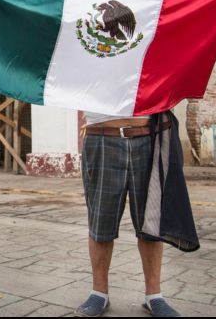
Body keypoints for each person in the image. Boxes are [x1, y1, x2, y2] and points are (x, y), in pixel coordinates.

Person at [75, 111, 198, 318]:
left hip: (147, 136)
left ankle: (154, 296)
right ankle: (99, 293)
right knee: (100, 222)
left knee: (150, 222)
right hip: (102, 136)